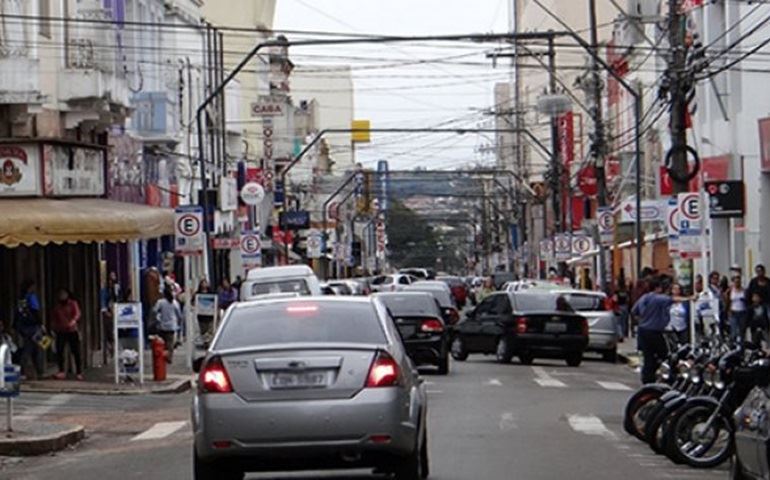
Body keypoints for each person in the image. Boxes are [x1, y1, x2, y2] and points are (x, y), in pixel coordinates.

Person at [631, 276, 691, 384]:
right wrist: (690, 298)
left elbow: (634, 311)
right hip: (654, 332)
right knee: (665, 354)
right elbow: (673, 299)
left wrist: (643, 320)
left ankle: (647, 379)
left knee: (648, 356)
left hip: (643, 331)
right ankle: (668, 377)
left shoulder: (644, 298)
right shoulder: (658, 298)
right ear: (658, 288)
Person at [13, 280, 44, 380]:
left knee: (31, 348)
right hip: (34, 327)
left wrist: (15, 325)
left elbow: (19, 313)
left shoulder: (21, 299)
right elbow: (35, 311)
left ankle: (36, 371)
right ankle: (33, 371)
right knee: (35, 349)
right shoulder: (31, 297)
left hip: (24, 327)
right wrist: (41, 323)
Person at [51, 289, 83, 380]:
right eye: (60, 294)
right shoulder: (57, 306)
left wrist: (73, 321)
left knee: (75, 351)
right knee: (60, 351)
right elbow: (54, 318)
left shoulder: (72, 303)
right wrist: (53, 328)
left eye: (63, 294)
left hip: (72, 330)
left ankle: (79, 372)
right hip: (60, 330)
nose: (62, 296)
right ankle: (61, 371)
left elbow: (77, 313)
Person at [153, 288, 183, 364]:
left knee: (162, 342)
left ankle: (162, 356)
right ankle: (169, 357)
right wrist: (179, 323)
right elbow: (179, 315)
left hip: (162, 325)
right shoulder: (174, 303)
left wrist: (157, 318)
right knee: (170, 343)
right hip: (172, 325)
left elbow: (154, 310)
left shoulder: (161, 302)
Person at [727, 275, 747, 342]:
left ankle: (741, 345)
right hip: (733, 312)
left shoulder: (744, 290)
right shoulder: (730, 291)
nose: (737, 283)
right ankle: (733, 345)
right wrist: (728, 310)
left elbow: (748, 300)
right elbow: (727, 300)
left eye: (738, 282)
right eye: (735, 282)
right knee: (734, 330)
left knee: (742, 331)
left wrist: (744, 300)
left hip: (742, 312)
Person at [614, 274, 631, 341]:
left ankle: (621, 335)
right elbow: (628, 299)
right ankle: (625, 333)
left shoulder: (617, 291)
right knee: (625, 321)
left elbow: (615, 300)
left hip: (619, 307)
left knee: (619, 322)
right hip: (625, 307)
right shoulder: (626, 290)